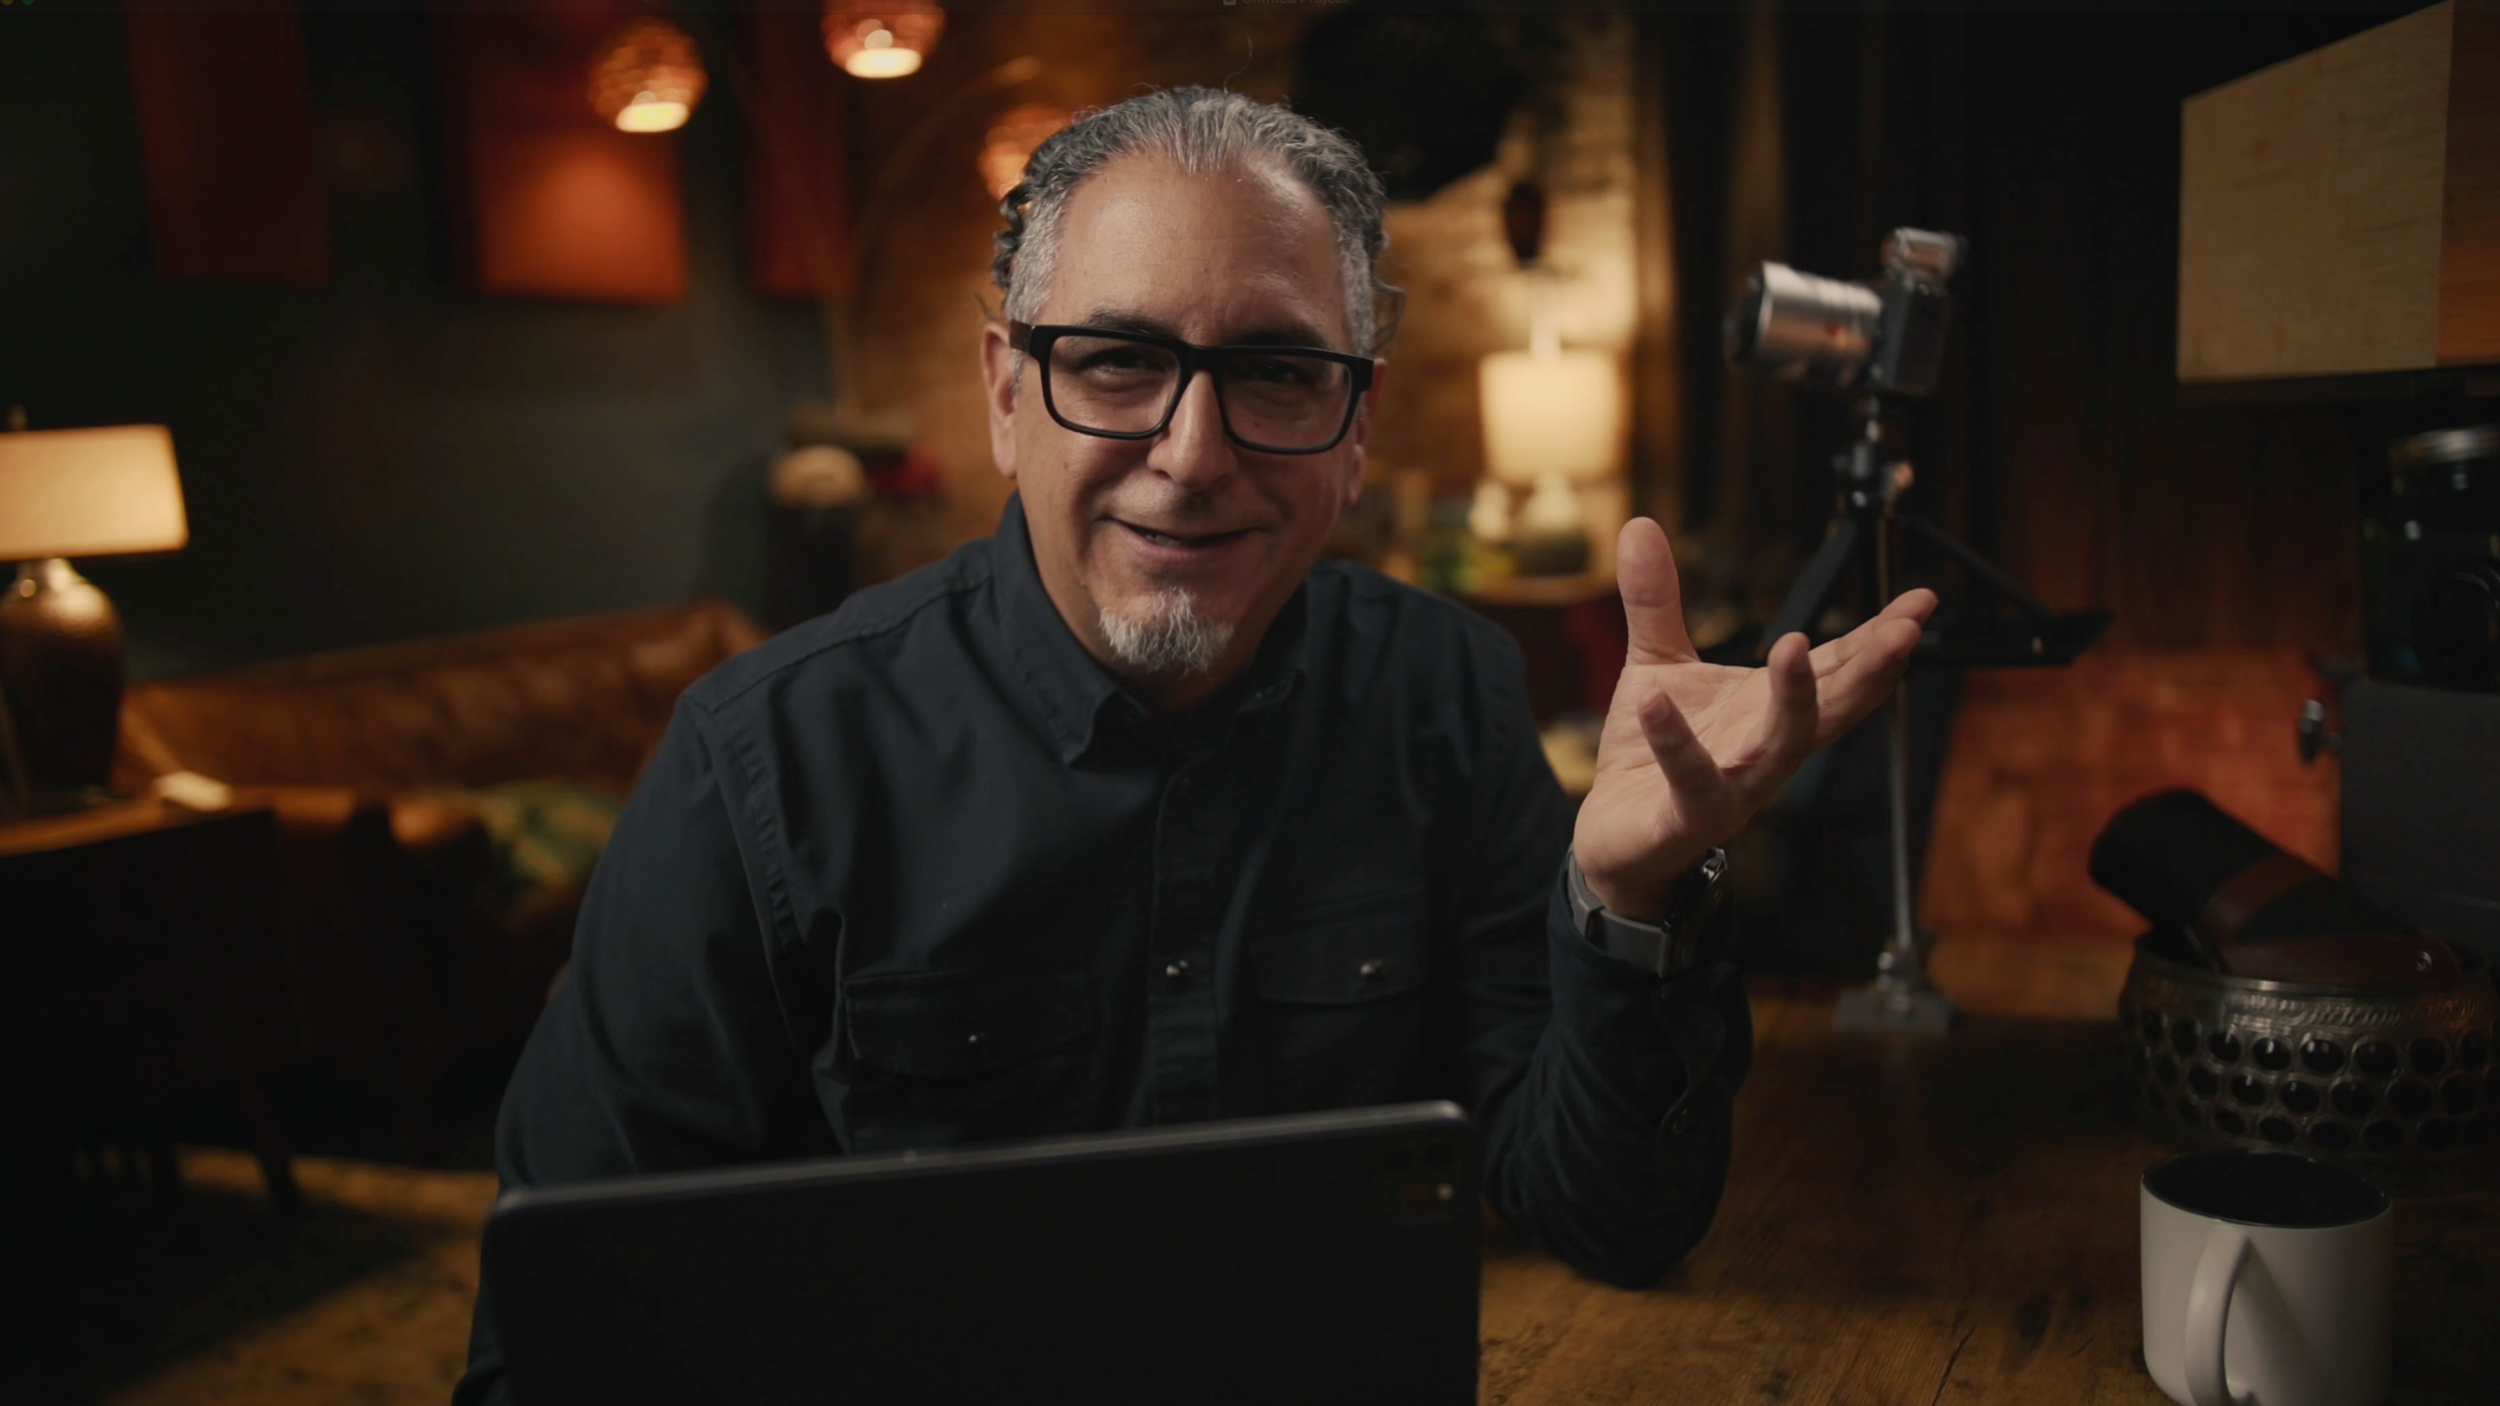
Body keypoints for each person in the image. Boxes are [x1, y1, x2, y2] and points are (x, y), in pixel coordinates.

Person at [453, 86, 1930, 1403]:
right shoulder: (757, 763)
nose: (1196, 452)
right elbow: (565, 1342)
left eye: (1279, 373)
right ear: (1004, 393)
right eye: (1114, 361)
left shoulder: (1445, 695)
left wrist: (1628, 904)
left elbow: (1612, 1218)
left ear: (1357, 430)